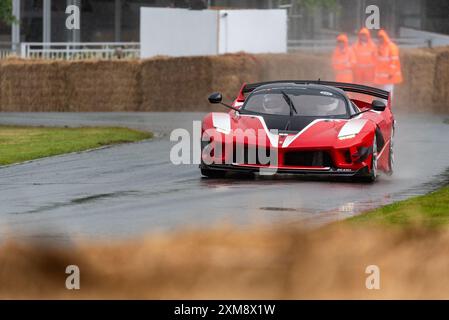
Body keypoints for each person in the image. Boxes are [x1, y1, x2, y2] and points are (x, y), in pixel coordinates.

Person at [374, 29, 403, 100]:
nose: (380, 39)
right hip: (383, 77)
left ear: (385, 37)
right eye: (379, 38)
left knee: (387, 93)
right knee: (384, 94)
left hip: (390, 76)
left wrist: (391, 73)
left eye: (381, 37)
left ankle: (387, 109)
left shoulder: (391, 47)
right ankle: (385, 108)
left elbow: (394, 61)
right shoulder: (380, 47)